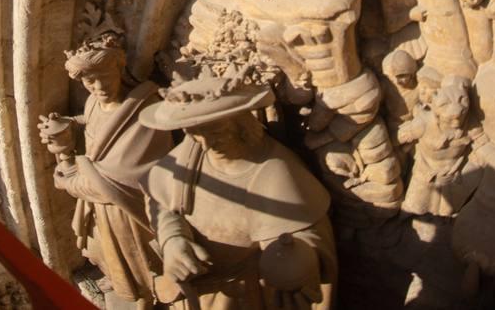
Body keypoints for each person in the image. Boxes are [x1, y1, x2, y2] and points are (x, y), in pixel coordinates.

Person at [140, 76, 336, 309]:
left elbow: (304, 240)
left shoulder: (275, 172)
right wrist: (173, 240)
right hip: (198, 285)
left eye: (217, 133)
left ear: (242, 124)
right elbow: (160, 199)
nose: (206, 144)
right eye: (195, 133)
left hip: (249, 292)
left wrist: (291, 263)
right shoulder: (190, 154)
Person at [38, 33, 172, 310]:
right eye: (89, 81)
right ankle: (123, 283)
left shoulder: (145, 109)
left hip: (128, 207)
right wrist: (67, 123)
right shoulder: (93, 103)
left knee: (137, 260)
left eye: (105, 77)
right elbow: (95, 121)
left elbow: (116, 180)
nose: (98, 87)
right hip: (102, 209)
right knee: (106, 252)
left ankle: (146, 297)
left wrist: (65, 172)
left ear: (119, 69)